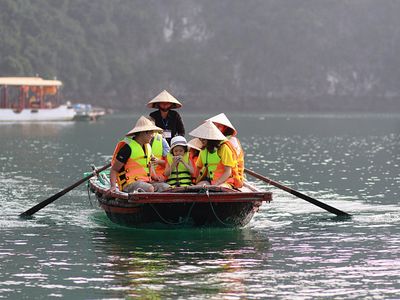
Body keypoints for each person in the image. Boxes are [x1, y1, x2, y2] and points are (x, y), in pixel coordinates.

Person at [109, 116, 170, 193]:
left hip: (146, 182)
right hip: (129, 184)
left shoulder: (148, 147)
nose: (153, 135)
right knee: (149, 188)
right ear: (144, 132)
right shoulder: (127, 148)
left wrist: (156, 178)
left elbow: (149, 166)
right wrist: (113, 186)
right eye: (151, 132)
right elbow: (114, 169)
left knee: (166, 187)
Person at [189, 120, 239, 188]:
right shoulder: (203, 150)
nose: (201, 142)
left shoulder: (224, 148)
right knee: (198, 188)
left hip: (225, 181)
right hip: (210, 181)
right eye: (200, 139)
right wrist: (194, 182)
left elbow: (228, 171)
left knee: (219, 189)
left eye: (203, 140)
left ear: (210, 139)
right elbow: (198, 168)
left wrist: (217, 184)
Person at [206, 113, 245, 187]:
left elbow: (230, 168)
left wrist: (217, 183)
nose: (216, 129)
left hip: (233, 178)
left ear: (225, 129)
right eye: (214, 126)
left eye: (219, 126)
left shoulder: (230, 141)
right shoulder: (210, 142)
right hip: (214, 179)